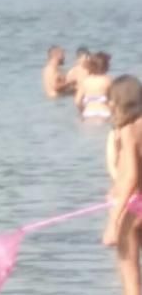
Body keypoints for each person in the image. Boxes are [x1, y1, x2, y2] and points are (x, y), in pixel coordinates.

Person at [102, 75, 142, 295]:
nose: (109, 104)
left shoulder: (130, 130)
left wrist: (113, 222)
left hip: (137, 210)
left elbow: (130, 178)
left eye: (111, 99)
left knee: (130, 275)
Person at [76, 52, 113, 120]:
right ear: (104, 66)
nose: (110, 65)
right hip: (104, 113)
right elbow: (114, 101)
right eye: (108, 63)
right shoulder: (108, 80)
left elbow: (77, 101)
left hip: (88, 113)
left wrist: (82, 112)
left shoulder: (85, 81)